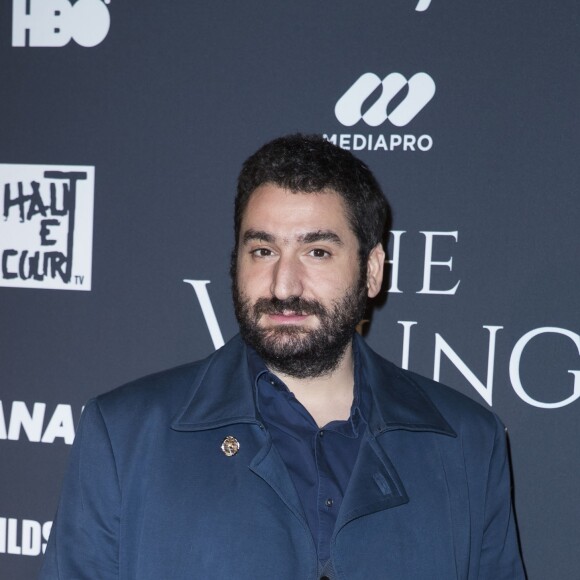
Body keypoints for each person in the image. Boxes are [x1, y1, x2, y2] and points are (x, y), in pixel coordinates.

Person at [40, 134, 525, 579]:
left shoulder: (467, 445)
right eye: (263, 251)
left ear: (372, 271)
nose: (283, 286)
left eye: (317, 252)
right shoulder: (126, 434)